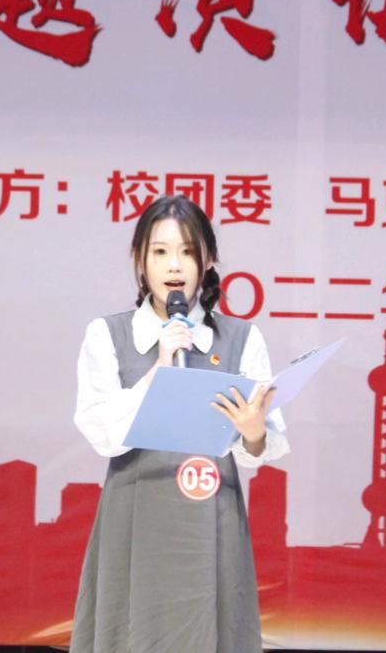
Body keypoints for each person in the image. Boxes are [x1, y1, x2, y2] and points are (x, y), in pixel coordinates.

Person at [71, 194, 289, 653]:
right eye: (160, 251)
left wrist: (253, 432)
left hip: (212, 520)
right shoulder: (108, 335)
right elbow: (101, 433)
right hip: (137, 517)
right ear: (139, 258)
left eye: (188, 251)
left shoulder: (242, 339)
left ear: (208, 260)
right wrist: (159, 369)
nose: (174, 265)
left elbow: (261, 449)